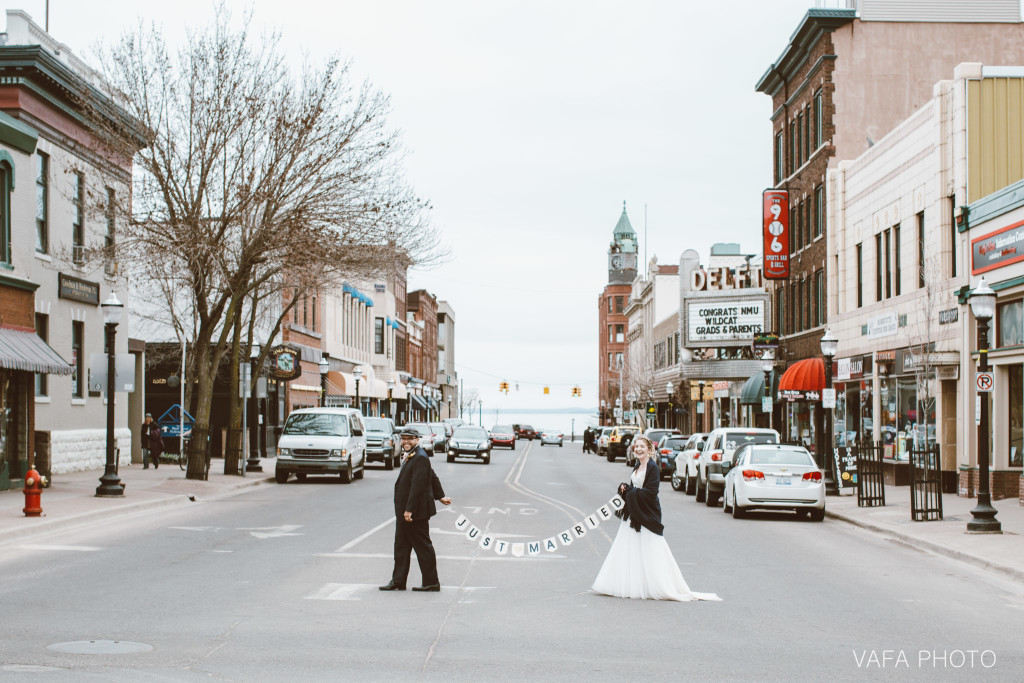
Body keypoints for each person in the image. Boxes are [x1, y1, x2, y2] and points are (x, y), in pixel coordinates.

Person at [592, 435, 720, 602]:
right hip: (634, 515)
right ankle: (631, 583)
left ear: (649, 450)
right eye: (636, 447)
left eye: (642, 447)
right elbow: (636, 487)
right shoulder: (637, 466)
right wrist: (626, 488)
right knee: (629, 549)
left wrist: (631, 491)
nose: (638, 449)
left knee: (650, 548)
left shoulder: (652, 468)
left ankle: (655, 584)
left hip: (647, 514)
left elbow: (651, 493)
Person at [380, 426, 451, 592]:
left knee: (423, 547)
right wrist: (440, 496)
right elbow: (432, 476)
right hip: (406, 512)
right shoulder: (415, 455)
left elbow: (417, 486)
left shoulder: (419, 457)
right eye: (403, 439)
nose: (405, 441)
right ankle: (398, 581)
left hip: (414, 513)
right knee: (401, 547)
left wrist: (409, 510)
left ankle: (431, 582)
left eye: (409, 439)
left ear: (417, 440)